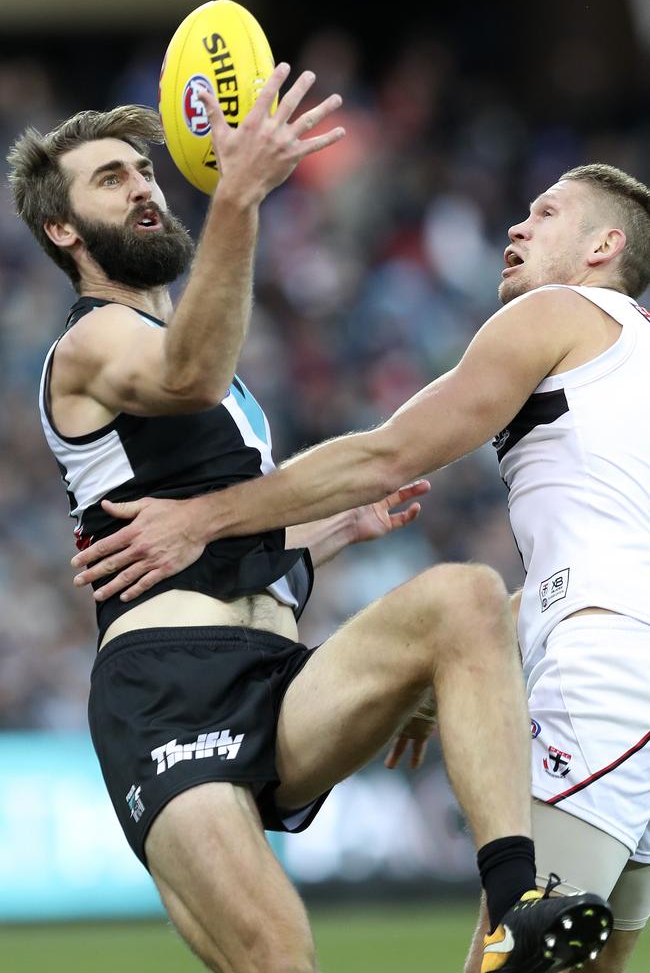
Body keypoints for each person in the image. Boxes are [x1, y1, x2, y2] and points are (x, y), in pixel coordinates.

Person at [8, 65, 612, 973]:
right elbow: (187, 375)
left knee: (465, 598)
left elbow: (206, 517)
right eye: (110, 179)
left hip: (276, 673)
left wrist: (324, 534)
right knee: (281, 959)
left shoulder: (226, 388)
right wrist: (241, 197)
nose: (140, 185)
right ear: (63, 231)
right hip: (165, 695)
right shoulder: (91, 341)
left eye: (142, 169)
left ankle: (512, 904)